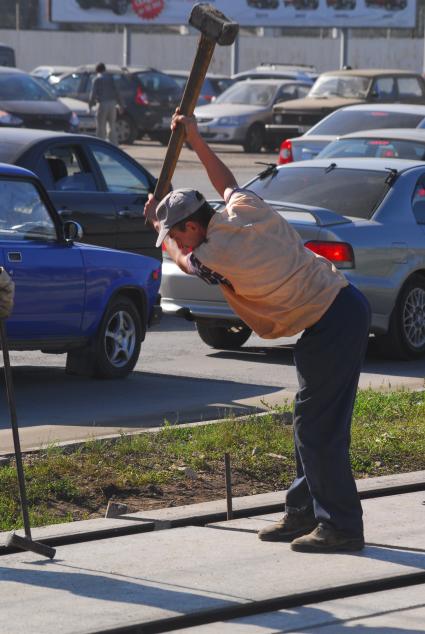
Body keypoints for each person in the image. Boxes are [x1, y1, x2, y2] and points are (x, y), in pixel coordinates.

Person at [144, 109, 371, 554]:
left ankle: (341, 526)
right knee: (314, 424)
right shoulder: (243, 209)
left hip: (332, 319)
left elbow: (186, 259)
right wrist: (195, 139)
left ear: (192, 226)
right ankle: (304, 513)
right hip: (333, 313)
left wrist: (156, 225)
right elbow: (226, 180)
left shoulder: (218, 250)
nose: (180, 242)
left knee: (316, 428)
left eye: (179, 234)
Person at [89, 62, 124, 145]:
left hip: (102, 104)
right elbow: (117, 92)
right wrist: (121, 105)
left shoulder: (97, 79)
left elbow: (93, 94)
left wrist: (90, 105)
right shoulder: (111, 78)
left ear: (97, 70)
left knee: (101, 127)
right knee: (112, 125)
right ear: (105, 69)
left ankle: (100, 145)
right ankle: (114, 145)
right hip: (112, 104)